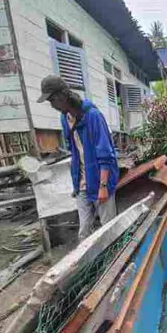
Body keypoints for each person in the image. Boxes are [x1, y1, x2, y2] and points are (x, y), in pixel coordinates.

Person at [37, 75, 119, 241]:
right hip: (82, 182)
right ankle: (92, 265)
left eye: (52, 100)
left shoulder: (93, 116)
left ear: (62, 96)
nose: (51, 105)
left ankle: (115, 261)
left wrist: (103, 186)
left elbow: (106, 154)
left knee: (108, 227)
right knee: (84, 232)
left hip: (99, 180)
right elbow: (74, 152)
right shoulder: (65, 118)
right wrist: (75, 182)